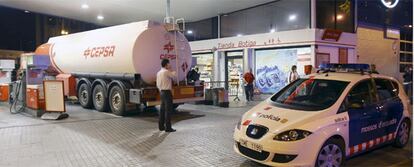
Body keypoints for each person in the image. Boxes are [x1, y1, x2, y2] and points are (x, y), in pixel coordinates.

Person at [156, 59, 177, 132]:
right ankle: (168, 127)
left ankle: (161, 126)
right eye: (169, 64)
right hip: (167, 92)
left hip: (161, 92)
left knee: (162, 110)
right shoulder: (166, 72)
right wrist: (172, 69)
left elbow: (157, 84)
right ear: (166, 65)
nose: (170, 65)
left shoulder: (159, 73)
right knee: (168, 110)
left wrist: (161, 90)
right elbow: (174, 76)